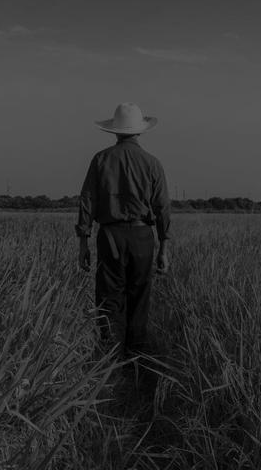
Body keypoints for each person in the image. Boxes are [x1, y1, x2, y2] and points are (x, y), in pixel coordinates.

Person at [76, 102, 171, 358]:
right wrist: (164, 248)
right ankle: (136, 357)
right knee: (139, 297)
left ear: (115, 132)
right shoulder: (152, 163)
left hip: (110, 236)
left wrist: (83, 242)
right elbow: (162, 207)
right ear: (139, 131)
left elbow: (87, 201)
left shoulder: (101, 159)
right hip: (142, 237)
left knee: (109, 296)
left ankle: (109, 356)